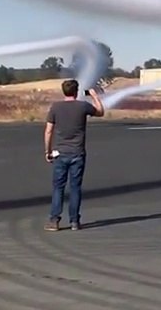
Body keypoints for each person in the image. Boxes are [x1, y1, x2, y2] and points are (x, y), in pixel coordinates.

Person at [43, 79, 104, 231]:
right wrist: (94, 96)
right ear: (76, 92)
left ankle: (54, 220)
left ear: (64, 91)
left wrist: (48, 151)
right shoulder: (83, 106)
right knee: (75, 188)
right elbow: (100, 112)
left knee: (58, 187)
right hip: (77, 152)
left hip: (60, 152)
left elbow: (48, 131)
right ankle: (74, 221)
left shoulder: (55, 107)